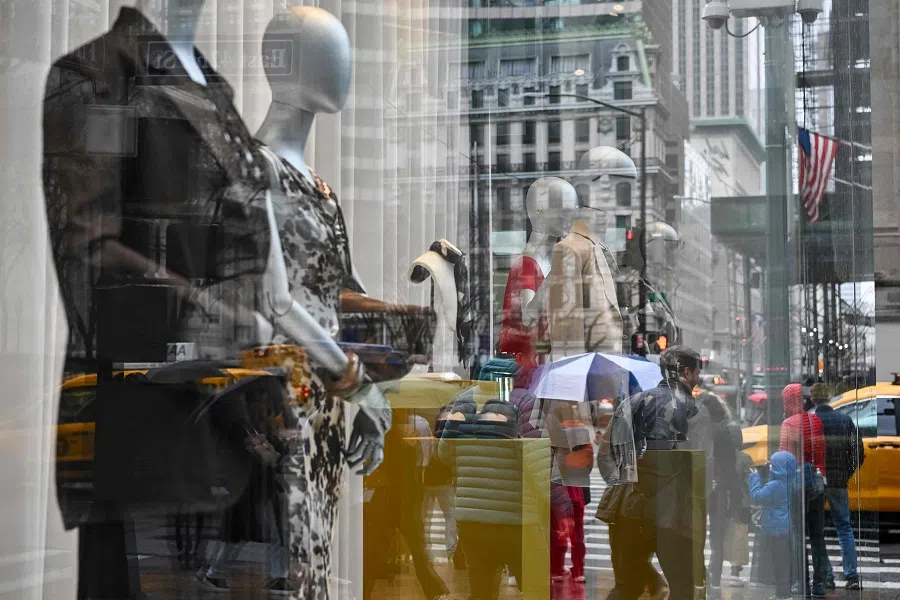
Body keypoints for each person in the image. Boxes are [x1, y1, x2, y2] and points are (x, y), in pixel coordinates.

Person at [597, 345, 705, 600]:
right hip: (676, 513)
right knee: (683, 590)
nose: (697, 378)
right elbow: (704, 466)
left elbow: (605, 456)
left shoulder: (633, 402)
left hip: (630, 508)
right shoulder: (696, 410)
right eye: (696, 372)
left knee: (627, 587)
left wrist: (626, 483)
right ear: (687, 372)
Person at [810, 383, 864, 590]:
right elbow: (858, 450)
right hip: (838, 481)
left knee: (818, 529)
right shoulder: (845, 420)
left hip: (817, 480)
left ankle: (828, 575)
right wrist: (846, 473)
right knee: (844, 527)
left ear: (813, 400)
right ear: (830, 398)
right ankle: (851, 576)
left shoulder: (812, 421)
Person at [779, 383, 828, 598]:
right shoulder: (815, 420)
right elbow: (822, 451)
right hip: (817, 482)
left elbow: (784, 458)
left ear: (788, 401)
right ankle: (820, 586)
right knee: (818, 537)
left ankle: (802, 584)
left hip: (796, 486)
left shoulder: (788, 423)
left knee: (798, 537)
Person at [694, 391, 742, 598]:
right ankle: (714, 580)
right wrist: (736, 495)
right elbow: (730, 466)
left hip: (696, 488)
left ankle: (698, 577)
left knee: (695, 536)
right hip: (719, 488)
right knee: (717, 539)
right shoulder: (722, 431)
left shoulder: (693, 430)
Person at [748, 451, 798, 600]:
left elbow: (757, 497)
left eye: (772, 464)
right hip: (785, 527)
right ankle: (784, 593)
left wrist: (754, 478)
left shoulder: (775, 485)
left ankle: (783, 596)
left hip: (774, 527)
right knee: (784, 562)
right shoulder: (789, 482)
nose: (770, 466)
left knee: (778, 563)